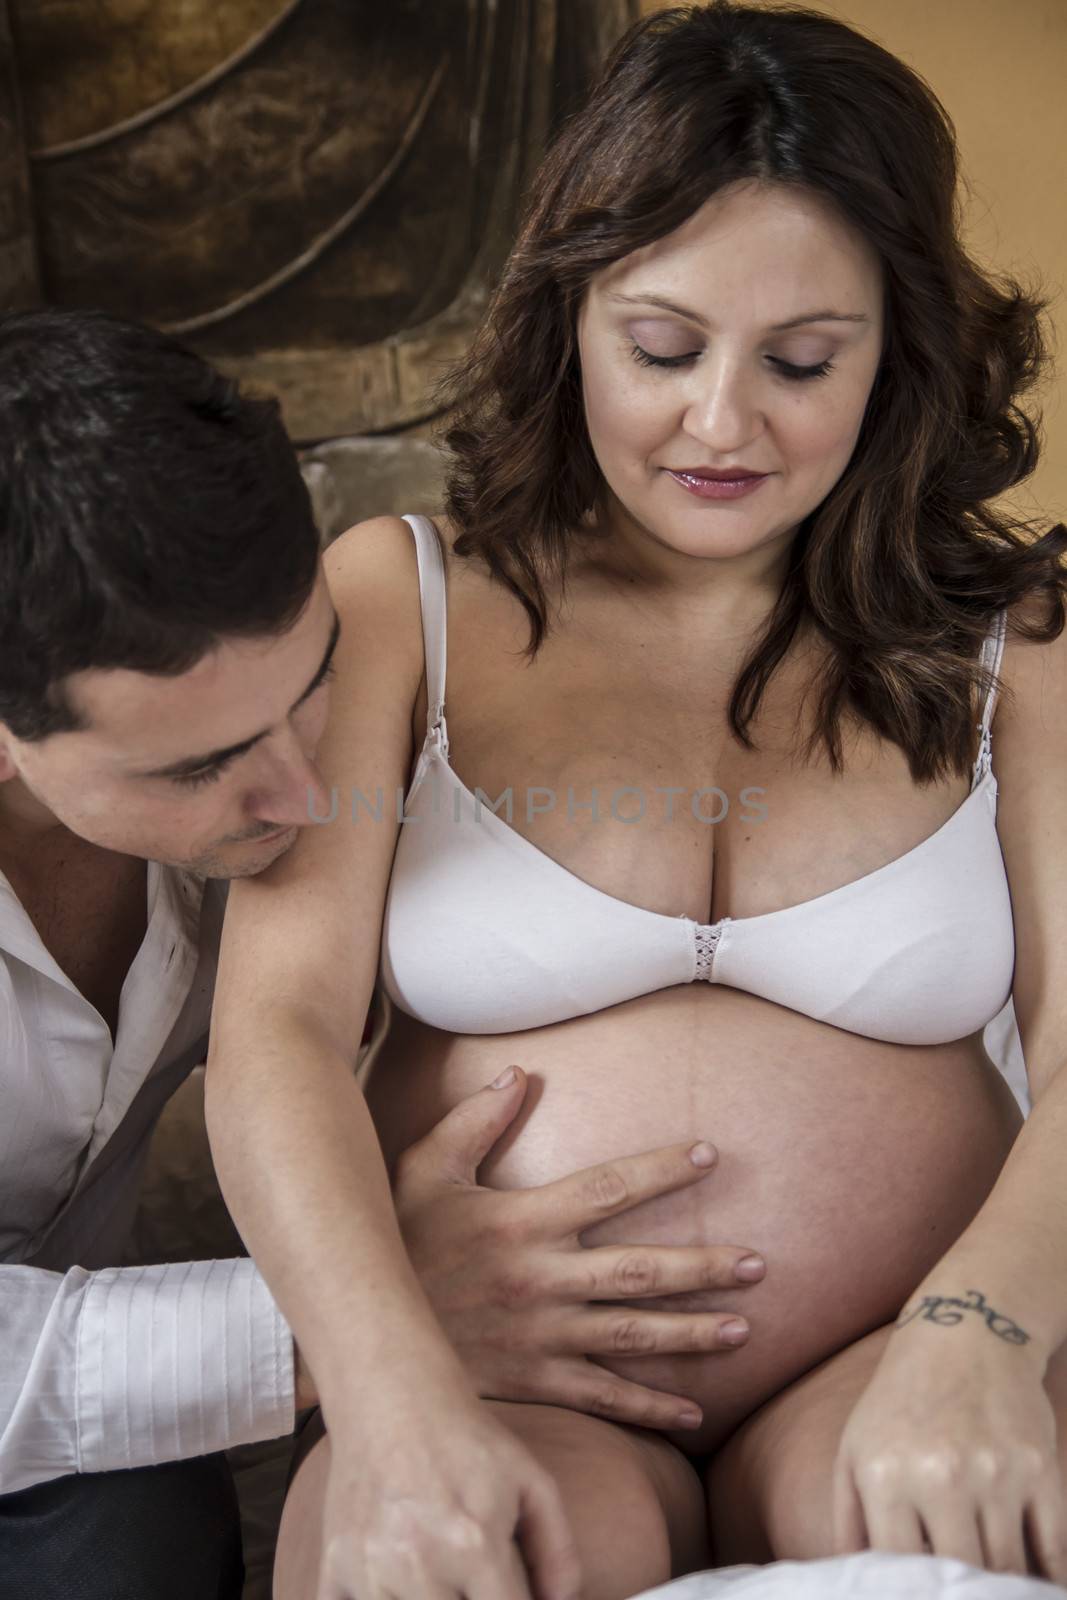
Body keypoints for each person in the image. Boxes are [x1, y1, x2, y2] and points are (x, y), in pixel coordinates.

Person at [206, 2, 1067, 1597]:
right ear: (569, 319)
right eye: (662, 348)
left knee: (975, 1544)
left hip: (894, 1359)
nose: (724, 422)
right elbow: (276, 1038)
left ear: (902, 353)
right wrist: (390, 1403)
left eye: (805, 360)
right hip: (505, 1390)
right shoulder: (401, 603)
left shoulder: (1019, 640)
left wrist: (977, 1339)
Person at [0, 308, 769, 1598]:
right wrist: (358, 1321)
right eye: (199, 766)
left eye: (314, 685)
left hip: (86, 1443)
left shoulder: (255, 798)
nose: (308, 795)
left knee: (141, 1529)